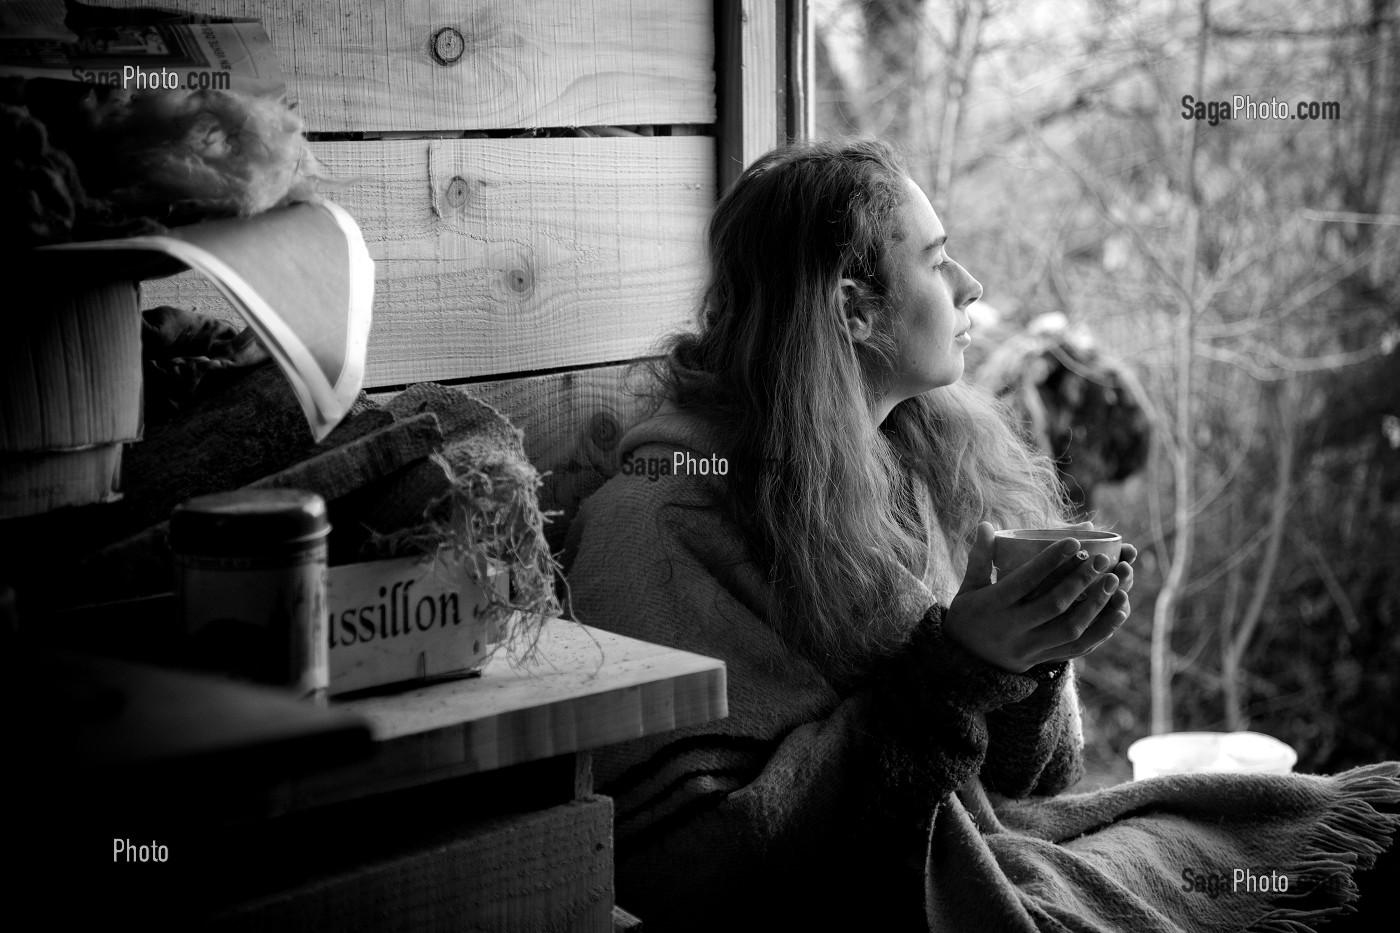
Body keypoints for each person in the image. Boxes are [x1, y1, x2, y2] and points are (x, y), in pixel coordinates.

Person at [564, 138, 1399, 932]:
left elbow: (1023, 782)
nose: (970, 283)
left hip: (972, 849)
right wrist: (960, 669)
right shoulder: (668, 519)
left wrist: (1028, 659)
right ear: (853, 309)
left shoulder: (910, 462)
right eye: (933, 260)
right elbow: (710, 868)